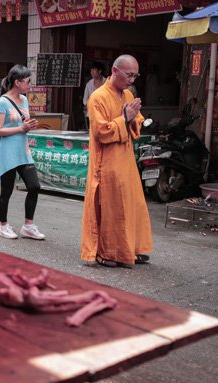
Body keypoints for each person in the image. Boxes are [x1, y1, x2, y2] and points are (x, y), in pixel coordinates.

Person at [81, 54, 152, 268]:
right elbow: (101, 131)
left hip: (126, 160)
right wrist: (125, 119)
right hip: (107, 162)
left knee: (132, 204)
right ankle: (107, 252)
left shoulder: (128, 95)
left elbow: (137, 122)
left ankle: (129, 248)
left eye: (135, 76)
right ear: (114, 71)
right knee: (111, 207)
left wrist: (133, 117)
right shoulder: (98, 97)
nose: (132, 80)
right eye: (129, 75)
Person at [0, 65, 45, 240]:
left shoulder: (24, 100)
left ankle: (28, 225)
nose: (30, 84)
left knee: (34, 186)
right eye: (28, 81)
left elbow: (23, 124)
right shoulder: (2, 102)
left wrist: (28, 126)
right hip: (7, 151)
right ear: (17, 82)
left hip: (23, 150)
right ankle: (3, 225)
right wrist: (20, 127)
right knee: (6, 191)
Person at [83, 61, 105, 128]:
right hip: (91, 114)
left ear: (100, 71)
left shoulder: (107, 82)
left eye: (93, 70)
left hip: (104, 114)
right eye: (91, 70)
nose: (91, 72)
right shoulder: (89, 84)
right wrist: (89, 105)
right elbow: (85, 99)